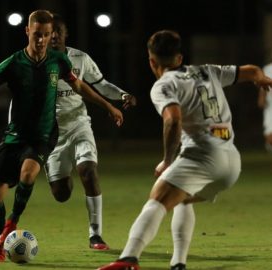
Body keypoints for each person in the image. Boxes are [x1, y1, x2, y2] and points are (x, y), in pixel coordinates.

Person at [97, 30, 272, 270]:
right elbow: (251, 70)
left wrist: (167, 161)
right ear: (179, 58)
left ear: (151, 61)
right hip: (232, 162)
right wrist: (261, 77)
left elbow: (172, 120)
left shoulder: (163, 85)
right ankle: (178, 262)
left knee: (157, 200)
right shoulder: (208, 70)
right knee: (183, 200)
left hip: (202, 155)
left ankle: (128, 258)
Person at [0, 10, 123, 263]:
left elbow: (80, 86)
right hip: (15, 136)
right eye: (37, 34)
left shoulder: (58, 62)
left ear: (52, 36)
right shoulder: (13, 63)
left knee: (28, 174)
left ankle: (12, 224)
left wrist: (109, 106)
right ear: (28, 32)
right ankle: (3, 239)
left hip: (44, 135)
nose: (42, 40)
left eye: (46, 35)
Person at [45, 13, 137, 250]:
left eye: (58, 30)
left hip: (79, 124)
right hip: (52, 133)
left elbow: (100, 83)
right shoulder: (37, 61)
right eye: (49, 31)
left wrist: (122, 94)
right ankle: (61, 172)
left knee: (88, 171)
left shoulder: (80, 59)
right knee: (61, 194)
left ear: (66, 34)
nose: (54, 35)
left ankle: (95, 235)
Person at [257, 62, 272, 152]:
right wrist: (261, 97)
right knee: (269, 139)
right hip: (270, 107)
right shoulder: (267, 68)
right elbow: (263, 85)